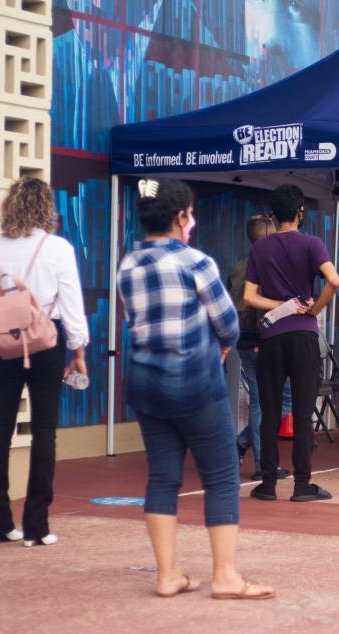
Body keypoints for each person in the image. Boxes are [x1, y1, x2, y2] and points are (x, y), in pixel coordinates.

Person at [118, 177, 273, 599]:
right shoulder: (196, 263)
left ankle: (168, 574)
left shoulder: (128, 265)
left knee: (163, 477)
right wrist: (222, 348)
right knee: (222, 475)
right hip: (195, 382)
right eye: (190, 214)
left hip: (147, 384)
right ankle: (225, 575)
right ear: (180, 217)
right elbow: (227, 322)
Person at [0, 177, 89, 546]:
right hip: (45, 340)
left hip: (1, 342)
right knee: (43, 429)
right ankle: (36, 526)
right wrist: (79, 349)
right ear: (46, 208)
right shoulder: (57, 247)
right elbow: (71, 302)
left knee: (1, 428)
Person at [244, 184, 339, 502]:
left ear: (273, 215)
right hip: (304, 335)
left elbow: (248, 297)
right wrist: (315, 308)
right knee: (301, 411)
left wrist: (277, 306)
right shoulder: (312, 243)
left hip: (271, 337)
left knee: (269, 411)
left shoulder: (260, 249)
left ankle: (268, 483)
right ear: (301, 212)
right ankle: (302, 485)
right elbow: (334, 280)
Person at [227, 214, 291, 481]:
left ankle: (242, 443)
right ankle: (264, 464)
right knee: (271, 400)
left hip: (244, 340)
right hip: (264, 339)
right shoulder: (269, 266)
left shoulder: (239, 266)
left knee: (270, 399)